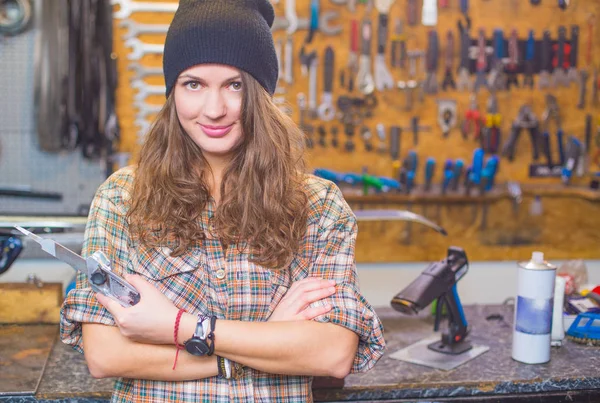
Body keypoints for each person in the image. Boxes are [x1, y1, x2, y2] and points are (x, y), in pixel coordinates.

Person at [60, 0, 385, 401]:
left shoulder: (317, 206)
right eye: (193, 84)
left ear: (261, 94)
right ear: (172, 92)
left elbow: (332, 353)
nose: (214, 110)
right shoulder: (122, 198)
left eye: (234, 85)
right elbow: (105, 355)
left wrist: (177, 327)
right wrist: (261, 344)